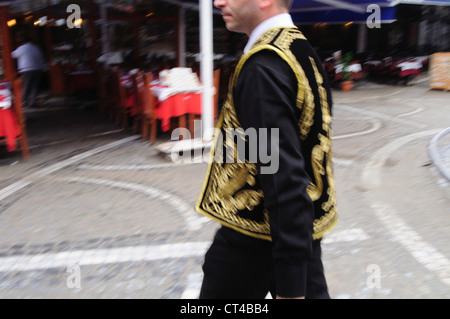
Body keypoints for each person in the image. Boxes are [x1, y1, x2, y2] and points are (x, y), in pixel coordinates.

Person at [195, 0, 337, 299]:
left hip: (255, 241)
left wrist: (290, 287)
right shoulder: (300, 48)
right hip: (297, 233)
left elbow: (282, 175)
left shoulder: (264, 65)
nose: (219, 2)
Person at [11, 37, 47, 108]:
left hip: (26, 69)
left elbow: (13, 55)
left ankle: (24, 102)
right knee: (34, 86)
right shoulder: (36, 48)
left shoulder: (22, 48)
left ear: (23, 42)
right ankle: (32, 102)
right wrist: (43, 69)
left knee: (26, 86)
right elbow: (41, 59)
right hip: (37, 69)